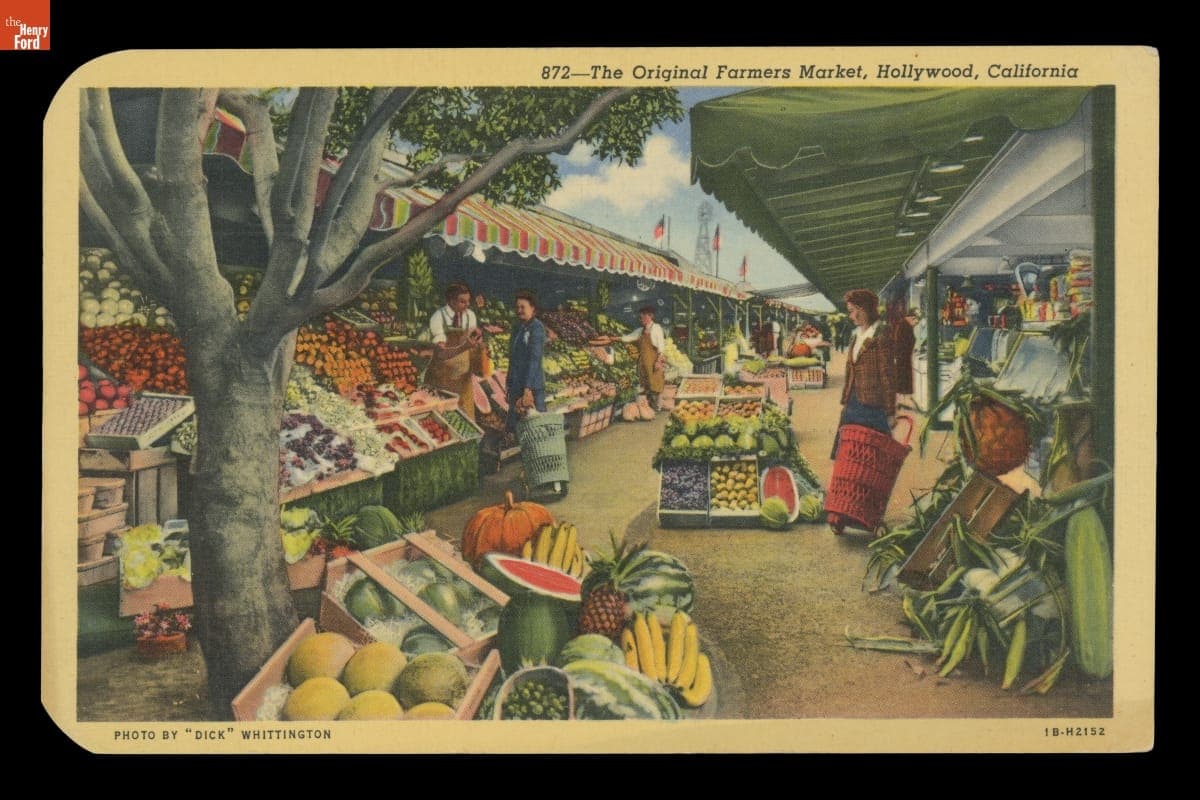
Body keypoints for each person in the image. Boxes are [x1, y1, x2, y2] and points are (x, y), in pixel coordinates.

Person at [829, 288, 896, 535]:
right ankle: (843, 510)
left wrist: (890, 410)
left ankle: (868, 513)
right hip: (853, 403)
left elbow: (887, 375)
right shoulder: (855, 335)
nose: (851, 316)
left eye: (854, 311)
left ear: (865, 309)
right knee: (847, 459)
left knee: (871, 464)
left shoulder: (881, 334)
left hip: (873, 405)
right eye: (850, 311)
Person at [426, 281, 484, 422]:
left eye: (468, 301)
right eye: (462, 301)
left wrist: (478, 342)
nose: (467, 305)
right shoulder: (438, 318)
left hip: (463, 380)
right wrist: (464, 347)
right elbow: (441, 353)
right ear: (451, 301)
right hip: (442, 378)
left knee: (466, 419)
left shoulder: (470, 315)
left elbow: (473, 342)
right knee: (442, 419)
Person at [602, 305, 666, 411]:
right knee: (647, 385)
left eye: (643, 316)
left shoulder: (656, 328)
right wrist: (612, 338)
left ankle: (657, 407)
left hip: (654, 361)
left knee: (656, 384)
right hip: (644, 362)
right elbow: (628, 337)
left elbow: (661, 346)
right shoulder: (640, 331)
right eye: (640, 317)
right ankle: (650, 408)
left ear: (650, 316)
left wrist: (659, 360)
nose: (641, 319)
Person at [505, 290, 547, 434]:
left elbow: (534, 359)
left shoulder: (537, 328)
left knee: (537, 425)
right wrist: (509, 383)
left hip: (532, 385)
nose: (519, 310)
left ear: (532, 308)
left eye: (523, 307)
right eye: (517, 307)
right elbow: (512, 357)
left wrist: (527, 388)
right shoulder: (517, 327)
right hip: (516, 383)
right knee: (513, 423)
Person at [886, 299, 916, 408]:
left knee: (901, 379)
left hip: (901, 356)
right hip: (903, 356)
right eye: (913, 319)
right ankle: (901, 401)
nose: (915, 321)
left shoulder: (901, 324)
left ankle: (901, 401)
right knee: (902, 380)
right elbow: (909, 340)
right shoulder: (905, 325)